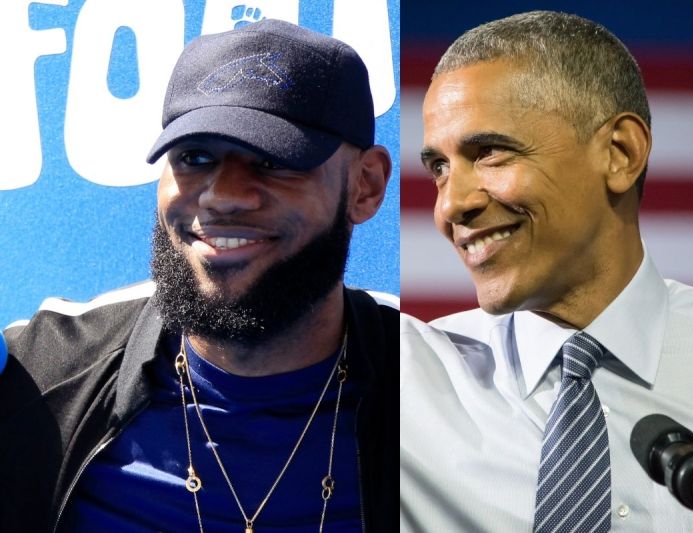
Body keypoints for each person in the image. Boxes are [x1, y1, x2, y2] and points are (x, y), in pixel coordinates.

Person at [400, 11, 693, 533]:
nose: (451, 205)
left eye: (490, 152)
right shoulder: (397, 380)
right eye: (439, 168)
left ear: (620, 154)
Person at [0, 19, 397, 533]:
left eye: (274, 161)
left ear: (365, 186)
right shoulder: (39, 375)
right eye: (195, 157)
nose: (223, 194)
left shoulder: (439, 388)